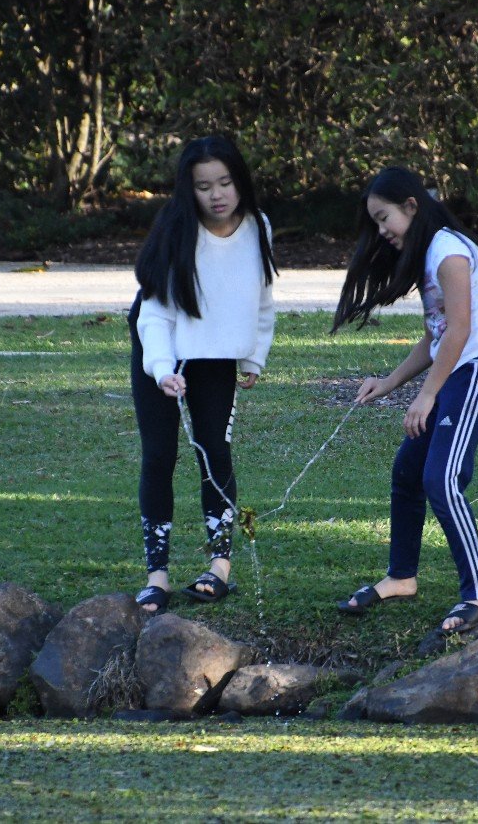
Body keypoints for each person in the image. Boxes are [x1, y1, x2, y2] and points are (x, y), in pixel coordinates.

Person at [332, 166, 478, 643]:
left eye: (383, 218)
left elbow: (460, 330)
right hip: (457, 371)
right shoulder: (431, 251)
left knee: (442, 478)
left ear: (411, 206)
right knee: (408, 471)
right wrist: (390, 383)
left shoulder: (448, 251)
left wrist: (427, 395)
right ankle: (402, 577)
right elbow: (436, 336)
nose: (381, 231)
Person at [129, 135, 276, 614]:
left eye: (225, 182)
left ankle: (219, 568)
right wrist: (161, 370)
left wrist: (253, 357)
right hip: (162, 350)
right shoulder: (177, 231)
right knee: (160, 455)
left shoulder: (258, 227)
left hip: (216, 357)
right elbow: (153, 315)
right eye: (204, 186)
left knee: (215, 453)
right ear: (187, 189)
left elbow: (262, 299)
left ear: (240, 182)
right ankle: (157, 576)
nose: (217, 195)